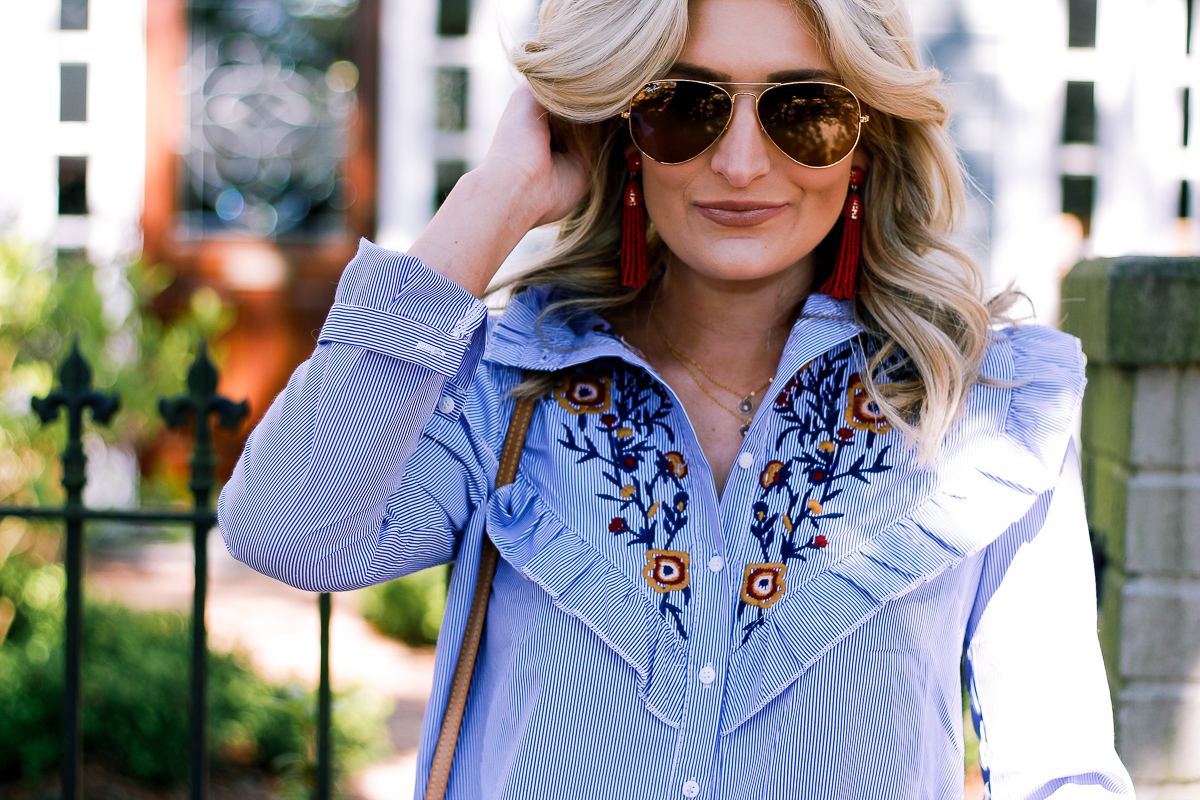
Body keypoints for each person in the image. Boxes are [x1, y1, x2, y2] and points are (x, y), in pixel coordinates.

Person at [218, 0, 1136, 796]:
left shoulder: (987, 411)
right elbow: (288, 529)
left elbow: (1062, 772)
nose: (740, 163)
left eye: (804, 111)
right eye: (682, 107)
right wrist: (498, 197)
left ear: (862, 148)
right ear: (624, 135)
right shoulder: (504, 392)